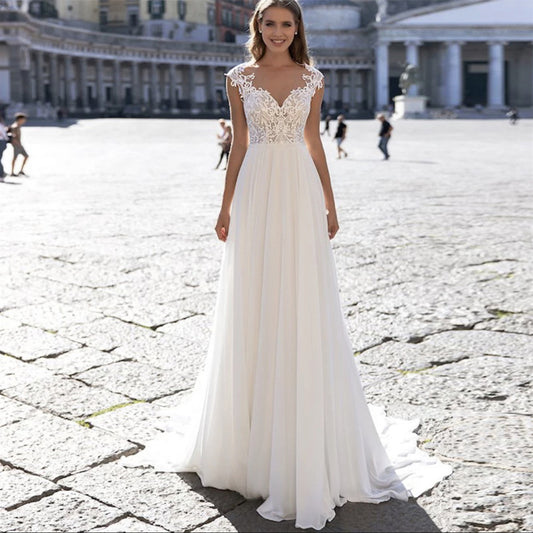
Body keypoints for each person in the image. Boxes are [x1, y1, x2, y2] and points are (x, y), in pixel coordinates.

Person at [119, 1, 451, 529]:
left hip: (297, 187)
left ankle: (301, 419)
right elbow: (242, 144)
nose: (277, 32)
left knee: (303, 297)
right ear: (258, 28)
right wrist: (225, 205)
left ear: (298, 30)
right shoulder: (238, 77)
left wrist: (330, 202)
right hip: (254, 191)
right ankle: (249, 432)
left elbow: (313, 141)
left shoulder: (312, 77)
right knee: (251, 296)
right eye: (269, 23)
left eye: (286, 24)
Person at [9, 112, 29, 176]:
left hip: (19, 145)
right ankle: (12, 172)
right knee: (15, 158)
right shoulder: (15, 126)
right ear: (20, 119)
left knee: (26, 156)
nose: (24, 121)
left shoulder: (17, 126)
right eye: (23, 119)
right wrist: (17, 144)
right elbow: (13, 136)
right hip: (17, 145)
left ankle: (21, 170)